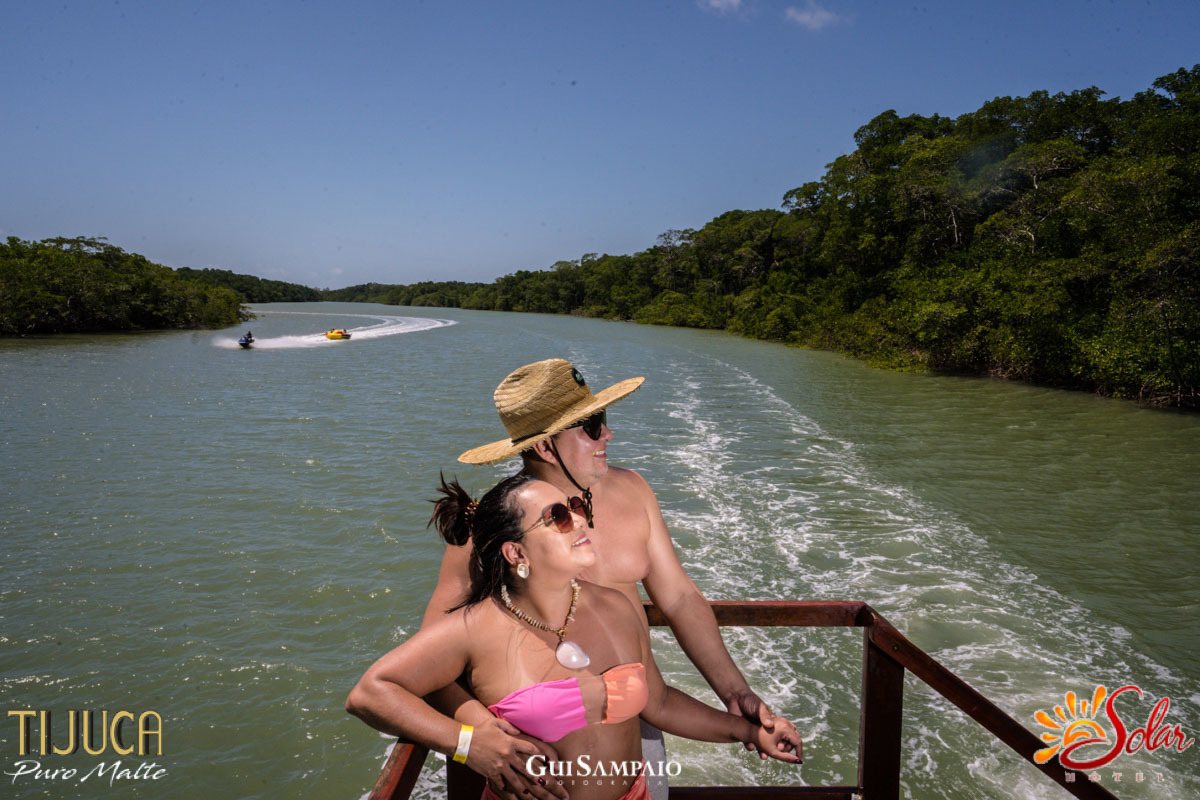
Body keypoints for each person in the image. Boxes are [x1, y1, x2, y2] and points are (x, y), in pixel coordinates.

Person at [423, 359, 778, 800]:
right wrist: (479, 735)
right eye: (592, 425)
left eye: (602, 419)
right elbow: (432, 659)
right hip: (533, 746)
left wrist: (735, 692)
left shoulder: (634, 491)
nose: (608, 435)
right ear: (547, 447)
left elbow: (680, 598)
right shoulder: (496, 529)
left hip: (635, 711)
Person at [347, 473, 801, 800]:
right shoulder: (475, 628)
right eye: (558, 517)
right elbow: (371, 693)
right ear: (516, 552)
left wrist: (748, 731)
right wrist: (469, 744)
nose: (580, 522)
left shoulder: (616, 608)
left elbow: (658, 704)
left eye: (577, 509)